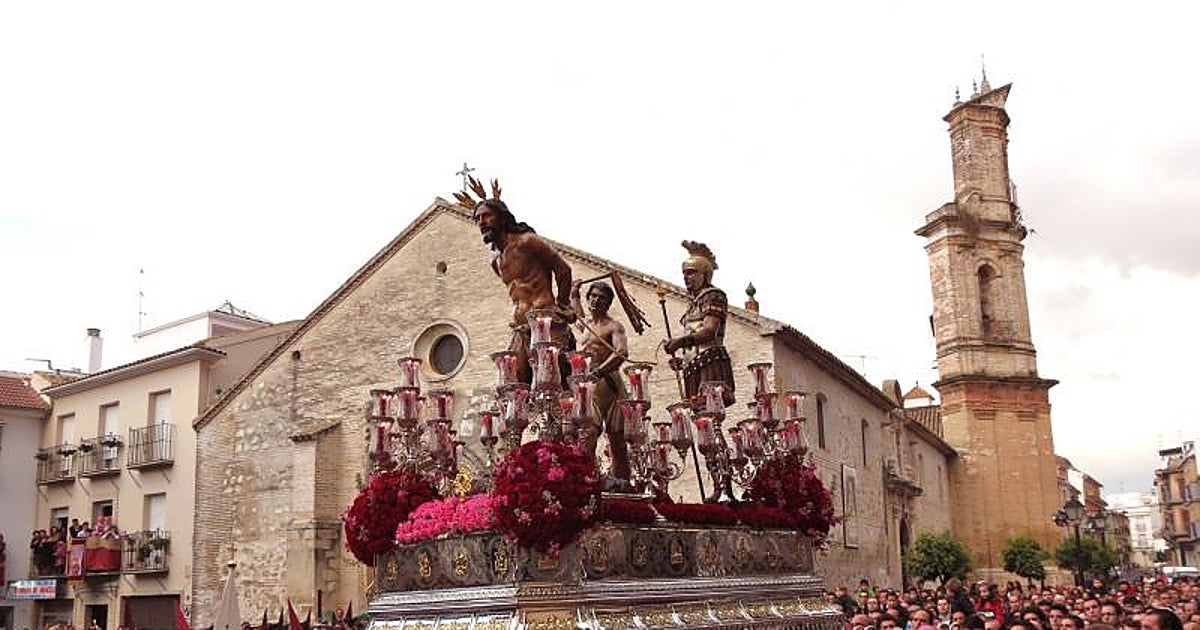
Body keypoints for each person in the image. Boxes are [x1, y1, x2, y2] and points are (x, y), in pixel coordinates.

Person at [457, 177, 575, 384]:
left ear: (502, 218)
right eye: (477, 219)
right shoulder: (496, 262)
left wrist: (563, 305)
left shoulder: (527, 242)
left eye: (486, 216)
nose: (481, 222)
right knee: (513, 385)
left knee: (551, 381)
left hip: (545, 321)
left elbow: (563, 269)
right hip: (520, 327)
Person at [570, 280, 631, 481]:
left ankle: (623, 482)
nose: (596, 300)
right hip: (590, 387)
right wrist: (574, 293)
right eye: (593, 296)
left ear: (608, 303)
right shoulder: (587, 325)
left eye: (602, 298)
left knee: (617, 439)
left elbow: (621, 352)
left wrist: (600, 370)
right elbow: (576, 314)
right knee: (587, 434)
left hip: (610, 385)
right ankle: (586, 480)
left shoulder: (614, 326)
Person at [664, 241, 735, 409]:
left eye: (691, 273)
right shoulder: (694, 303)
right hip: (694, 365)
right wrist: (684, 360)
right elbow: (695, 341)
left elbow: (709, 331)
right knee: (700, 416)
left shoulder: (713, 296)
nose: (686, 278)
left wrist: (680, 342)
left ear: (704, 274)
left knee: (711, 413)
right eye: (684, 273)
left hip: (710, 361)